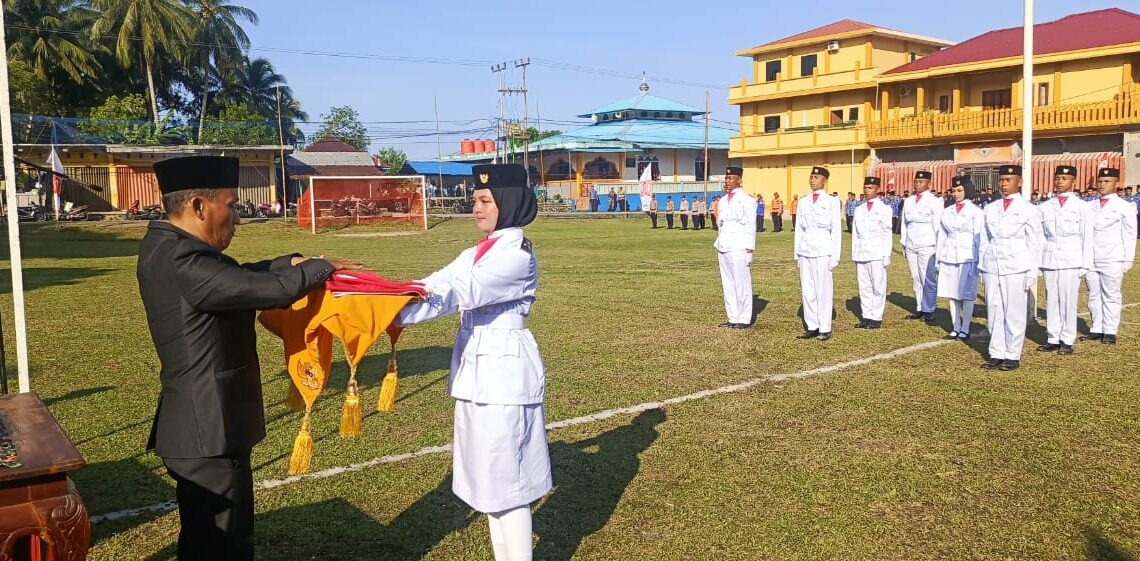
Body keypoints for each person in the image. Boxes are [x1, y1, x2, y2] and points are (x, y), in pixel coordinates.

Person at [137, 156, 356, 561]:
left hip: (198, 426)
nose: (237, 218)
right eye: (232, 205)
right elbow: (261, 291)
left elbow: (233, 277)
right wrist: (320, 269)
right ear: (200, 206)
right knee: (225, 545)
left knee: (205, 541)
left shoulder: (166, 245)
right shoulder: (184, 259)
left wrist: (285, 263)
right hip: (208, 429)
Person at [397, 163, 551, 561]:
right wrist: (370, 299)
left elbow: (457, 293)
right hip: (478, 376)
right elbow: (433, 283)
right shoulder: (479, 250)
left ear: (509, 202)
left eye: (485, 200)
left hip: (504, 378)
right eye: (474, 201)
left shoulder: (515, 255)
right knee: (490, 483)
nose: (476, 209)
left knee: (509, 485)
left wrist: (387, 312)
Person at [978, 165, 1043, 371]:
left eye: (1009, 179)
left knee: (1013, 311)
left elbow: (1035, 242)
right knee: (994, 309)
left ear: (1019, 182)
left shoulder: (1029, 209)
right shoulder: (991, 208)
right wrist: (982, 266)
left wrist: (1032, 271)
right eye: (1002, 180)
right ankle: (996, 352)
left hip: (1016, 265)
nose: (1004, 184)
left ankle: (1012, 354)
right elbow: (984, 239)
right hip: (992, 264)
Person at [1037, 165, 1093, 355]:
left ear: (1073, 181)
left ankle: (1067, 339)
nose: (1060, 181)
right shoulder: (1045, 207)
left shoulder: (1081, 207)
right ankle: (1053, 337)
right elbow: (1040, 237)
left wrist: (1086, 263)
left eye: (1065, 178)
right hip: (1050, 257)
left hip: (1072, 257)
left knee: (1068, 299)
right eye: (1058, 178)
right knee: (1052, 299)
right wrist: (1039, 261)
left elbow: (1087, 236)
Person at [1081, 167, 1137, 344]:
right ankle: (1097, 327)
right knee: (1094, 293)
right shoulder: (1089, 206)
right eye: (1100, 181)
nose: (1102, 185)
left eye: (1106, 182)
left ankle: (1110, 330)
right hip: (1091, 257)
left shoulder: (1125, 206)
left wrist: (1128, 258)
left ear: (1116, 184)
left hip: (1112, 256)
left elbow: (1129, 233)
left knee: (1111, 294)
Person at [794, 166, 842, 341]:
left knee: (823, 290)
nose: (812, 180)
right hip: (805, 249)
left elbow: (836, 230)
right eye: (811, 177)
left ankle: (824, 327)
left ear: (824, 181)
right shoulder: (804, 201)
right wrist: (797, 254)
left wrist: (835, 256)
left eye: (816, 177)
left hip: (823, 250)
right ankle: (812, 325)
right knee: (808, 290)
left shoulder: (832, 201)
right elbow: (799, 229)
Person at [935, 177, 985, 340]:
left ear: (967, 191)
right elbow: (941, 235)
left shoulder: (976, 212)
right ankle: (955, 327)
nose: (955, 194)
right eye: (954, 191)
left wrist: (978, 261)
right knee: (952, 294)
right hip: (949, 255)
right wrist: (938, 258)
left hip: (967, 256)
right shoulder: (947, 211)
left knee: (967, 294)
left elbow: (979, 238)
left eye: (959, 190)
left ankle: (965, 328)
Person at [715, 166, 758, 328]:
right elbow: (721, 224)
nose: (727, 181)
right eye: (726, 178)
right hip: (724, 244)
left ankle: (744, 318)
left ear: (739, 180)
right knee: (728, 284)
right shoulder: (724, 201)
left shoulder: (747, 200)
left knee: (742, 283)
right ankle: (733, 317)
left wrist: (749, 250)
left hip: (739, 246)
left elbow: (750, 226)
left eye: (731, 178)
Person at [900, 170, 942, 325]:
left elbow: (937, 225)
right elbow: (904, 223)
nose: (917, 184)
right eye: (916, 181)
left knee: (928, 278)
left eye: (921, 181)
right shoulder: (909, 201)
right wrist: (904, 242)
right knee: (916, 277)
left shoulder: (934, 201)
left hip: (927, 243)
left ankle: (929, 309)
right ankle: (919, 307)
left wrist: (938, 246)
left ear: (928, 183)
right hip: (911, 243)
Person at [851, 177, 893, 329]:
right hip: (861, 251)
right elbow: (855, 233)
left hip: (876, 251)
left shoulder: (884, 209)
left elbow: (886, 233)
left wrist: (886, 255)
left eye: (870, 188)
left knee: (878, 286)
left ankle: (876, 317)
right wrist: (854, 253)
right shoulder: (859, 209)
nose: (866, 190)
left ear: (877, 189)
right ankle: (866, 315)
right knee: (864, 286)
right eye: (865, 187)